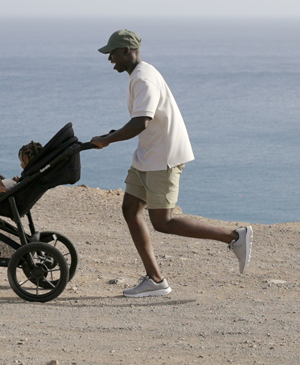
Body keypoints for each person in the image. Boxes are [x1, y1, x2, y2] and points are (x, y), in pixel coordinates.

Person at [90, 29, 252, 298]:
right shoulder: (139, 76)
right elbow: (141, 122)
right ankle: (155, 280)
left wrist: (108, 141)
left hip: (162, 158)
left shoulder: (144, 79)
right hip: (147, 155)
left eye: (113, 53)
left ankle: (234, 237)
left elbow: (142, 121)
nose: (110, 59)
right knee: (130, 210)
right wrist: (112, 135)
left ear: (128, 51)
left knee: (163, 221)